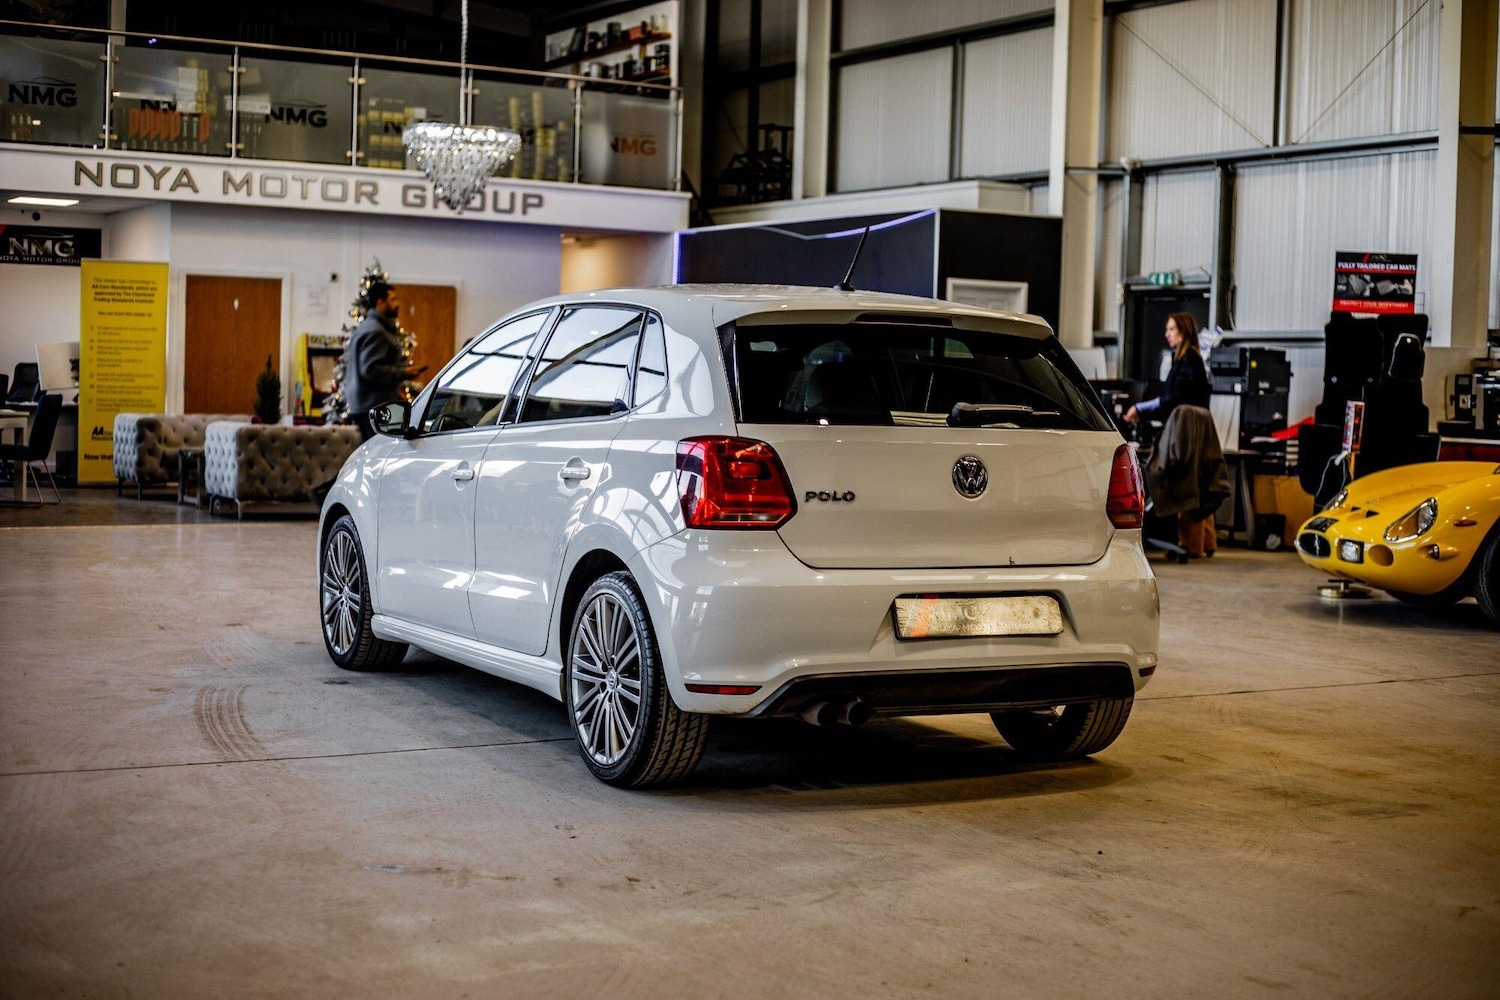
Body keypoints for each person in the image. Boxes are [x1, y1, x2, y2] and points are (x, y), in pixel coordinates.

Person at [1124, 313, 1217, 557]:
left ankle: (1188, 544)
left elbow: (1172, 400)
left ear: (1184, 331)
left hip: (1183, 439)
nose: (1167, 334)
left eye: (1171, 329)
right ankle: (1205, 542)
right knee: (1196, 482)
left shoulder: (1186, 362)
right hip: (1195, 438)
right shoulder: (1193, 360)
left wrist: (1140, 409)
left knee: (1159, 474)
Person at [344, 281, 421, 440]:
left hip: (366, 405)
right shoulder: (376, 331)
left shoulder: (368, 326)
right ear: (381, 302)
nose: (397, 304)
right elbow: (371, 369)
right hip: (375, 406)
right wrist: (403, 373)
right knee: (379, 456)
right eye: (393, 299)